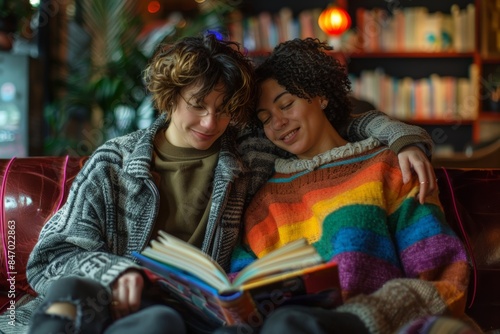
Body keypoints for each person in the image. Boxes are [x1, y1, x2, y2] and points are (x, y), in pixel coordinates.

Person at [0, 34, 435, 334]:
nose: (211, 123)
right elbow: (49, 257)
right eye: (197, 106)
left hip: (184, 313)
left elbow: (332, 120)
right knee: (78, 296)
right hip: (107, 299)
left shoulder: (248, 153)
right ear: (170, 98)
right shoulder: (114, 162)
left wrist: (402, 139)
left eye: (224, 109)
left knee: (163, 324)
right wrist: (117, 273)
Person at [227, 38, 481, 334]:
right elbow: (240, 284)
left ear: (320, 96)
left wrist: (363, 318)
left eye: (286, 104)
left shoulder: (386, 168)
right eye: (266, 119)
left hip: (370, 323)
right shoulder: (265, 201)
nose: (278, 123)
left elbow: (440, 276)